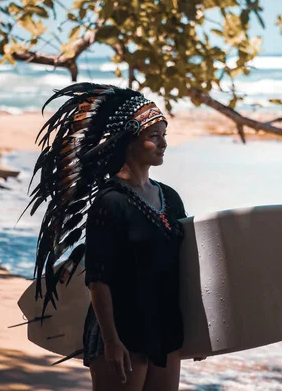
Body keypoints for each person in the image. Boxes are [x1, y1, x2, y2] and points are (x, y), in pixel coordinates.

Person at [28, 83, 205, 391]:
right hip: (122, 330)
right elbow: (97, 280)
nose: (163, 144)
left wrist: (199, 333)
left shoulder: (171, 197)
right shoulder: (110, 203)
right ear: (128, 141)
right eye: (154, 136)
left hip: (164, 328)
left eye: (165, 135)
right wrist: (111, 341)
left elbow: (185, 268)